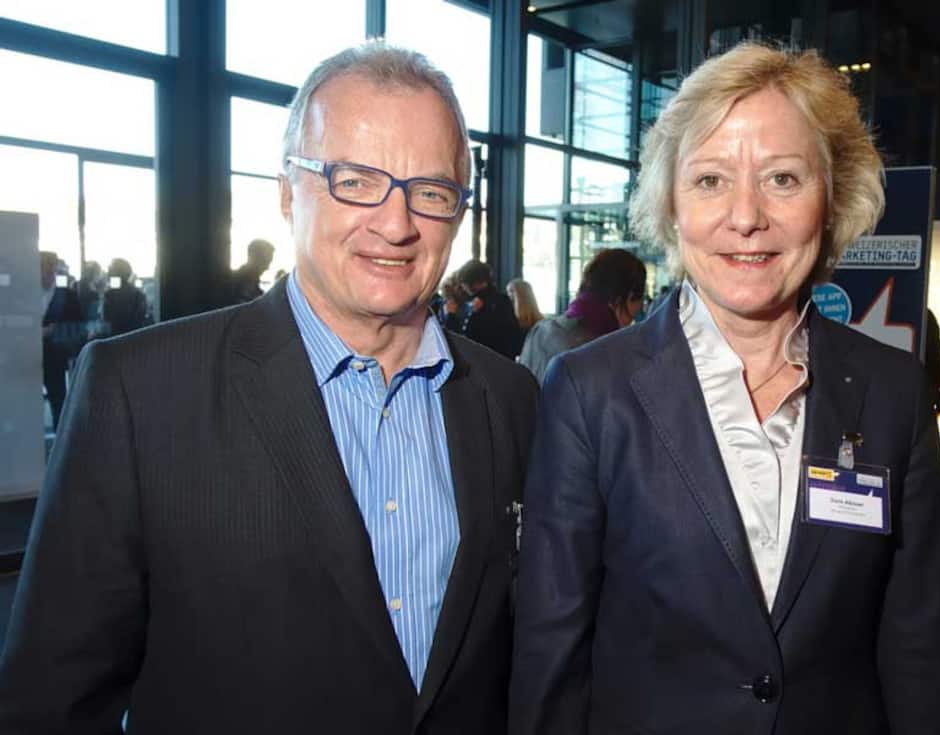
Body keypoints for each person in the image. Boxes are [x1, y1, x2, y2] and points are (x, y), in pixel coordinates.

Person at [0, 41, 537, 734]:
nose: (396, 224)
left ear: (459, 212)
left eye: (430, 192)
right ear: (287, 193)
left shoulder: (511, 398)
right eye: (355, 180)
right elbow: (53, 701)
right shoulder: (140, 392)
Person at [511, 42, 940, 734]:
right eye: (710, 179)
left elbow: (919, 651)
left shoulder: (893, 392)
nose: (745, 216)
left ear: (832, 197)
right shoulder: (588, 392)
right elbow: (552, 653)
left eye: (782, 178)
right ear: (670, 203)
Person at [517, 248, 645, 383]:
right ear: (627, 297)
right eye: (632, 316)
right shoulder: (603, 352)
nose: (629, 324)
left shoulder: (540, 330)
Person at [38, 250, 84, 431]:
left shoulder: (67, 296)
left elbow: (78, 325)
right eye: (42, 267)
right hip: (26, 356)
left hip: (54, 357)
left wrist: (53, 330)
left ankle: (61, 438)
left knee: (58, 402)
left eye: (49, 267)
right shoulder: (24, 294)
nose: (46, 272)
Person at [456, 258, 522, 358]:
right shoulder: (504, 300)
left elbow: (471, 338)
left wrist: (474, 315)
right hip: (504, 359)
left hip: (484, 358)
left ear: (474, 282)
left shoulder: (478, 304)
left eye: (464, 283)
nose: (463, 288)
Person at [101, 257, 151, 336]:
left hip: (115, 338)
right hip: (135, 337)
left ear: (116, 273)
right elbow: (142, 319)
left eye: (110, 270)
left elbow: (105, 319)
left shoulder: (109, 294)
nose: (108, 273)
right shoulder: (139, 294)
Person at [230, 238, 276, 303]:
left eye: (268, 262)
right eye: (264, 262)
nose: (267, 268)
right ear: (253, 257)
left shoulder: (257, 291)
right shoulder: (233, 285)